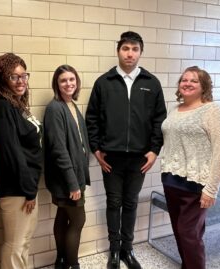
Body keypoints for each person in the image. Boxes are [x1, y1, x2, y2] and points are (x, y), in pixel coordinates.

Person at [85, 31, 167, 269]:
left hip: (140, 159)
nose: (130, 53)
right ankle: (113, 251)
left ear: (141, 52)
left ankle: (127, 250)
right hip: (112, 158)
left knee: (130, 203)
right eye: (125, 48)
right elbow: (92, 119)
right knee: (113, 203)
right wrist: (96, 149)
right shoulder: (104, 82)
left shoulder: (151, 83)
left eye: (135, 49)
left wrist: (154, 150)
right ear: (118, 50)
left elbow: (158, 120)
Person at [161, 66, 220, 269]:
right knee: (181, 231)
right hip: (171, 180)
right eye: (184, 80)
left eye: (193, 81)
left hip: (196, 184)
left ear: (203, 86)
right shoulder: (175, 109)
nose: (187, 83)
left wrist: (211, 188)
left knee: (188, 233)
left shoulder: (212, 111)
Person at [0, 53, 42, 269]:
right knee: (15, 244)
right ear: (3, 80)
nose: (21, 81)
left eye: (24, 76)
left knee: (24, 243)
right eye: (14, 77)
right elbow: (11, 153)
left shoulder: (17, 105)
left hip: (26, 186)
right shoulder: (3, 107)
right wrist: (29, 189)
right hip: (16, 189)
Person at [44, 65, 90, 269]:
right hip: (66, 179)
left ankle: (61, 261)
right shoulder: (55, 108)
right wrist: (73, 185)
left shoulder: (71, 105)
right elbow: (59, 150)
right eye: (63, 80)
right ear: (57, 84)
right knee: (78, 220)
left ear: (77, 82)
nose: (68, 83)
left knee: (63, 216)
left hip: (73, 176)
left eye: (72, 79)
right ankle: (73, 264)